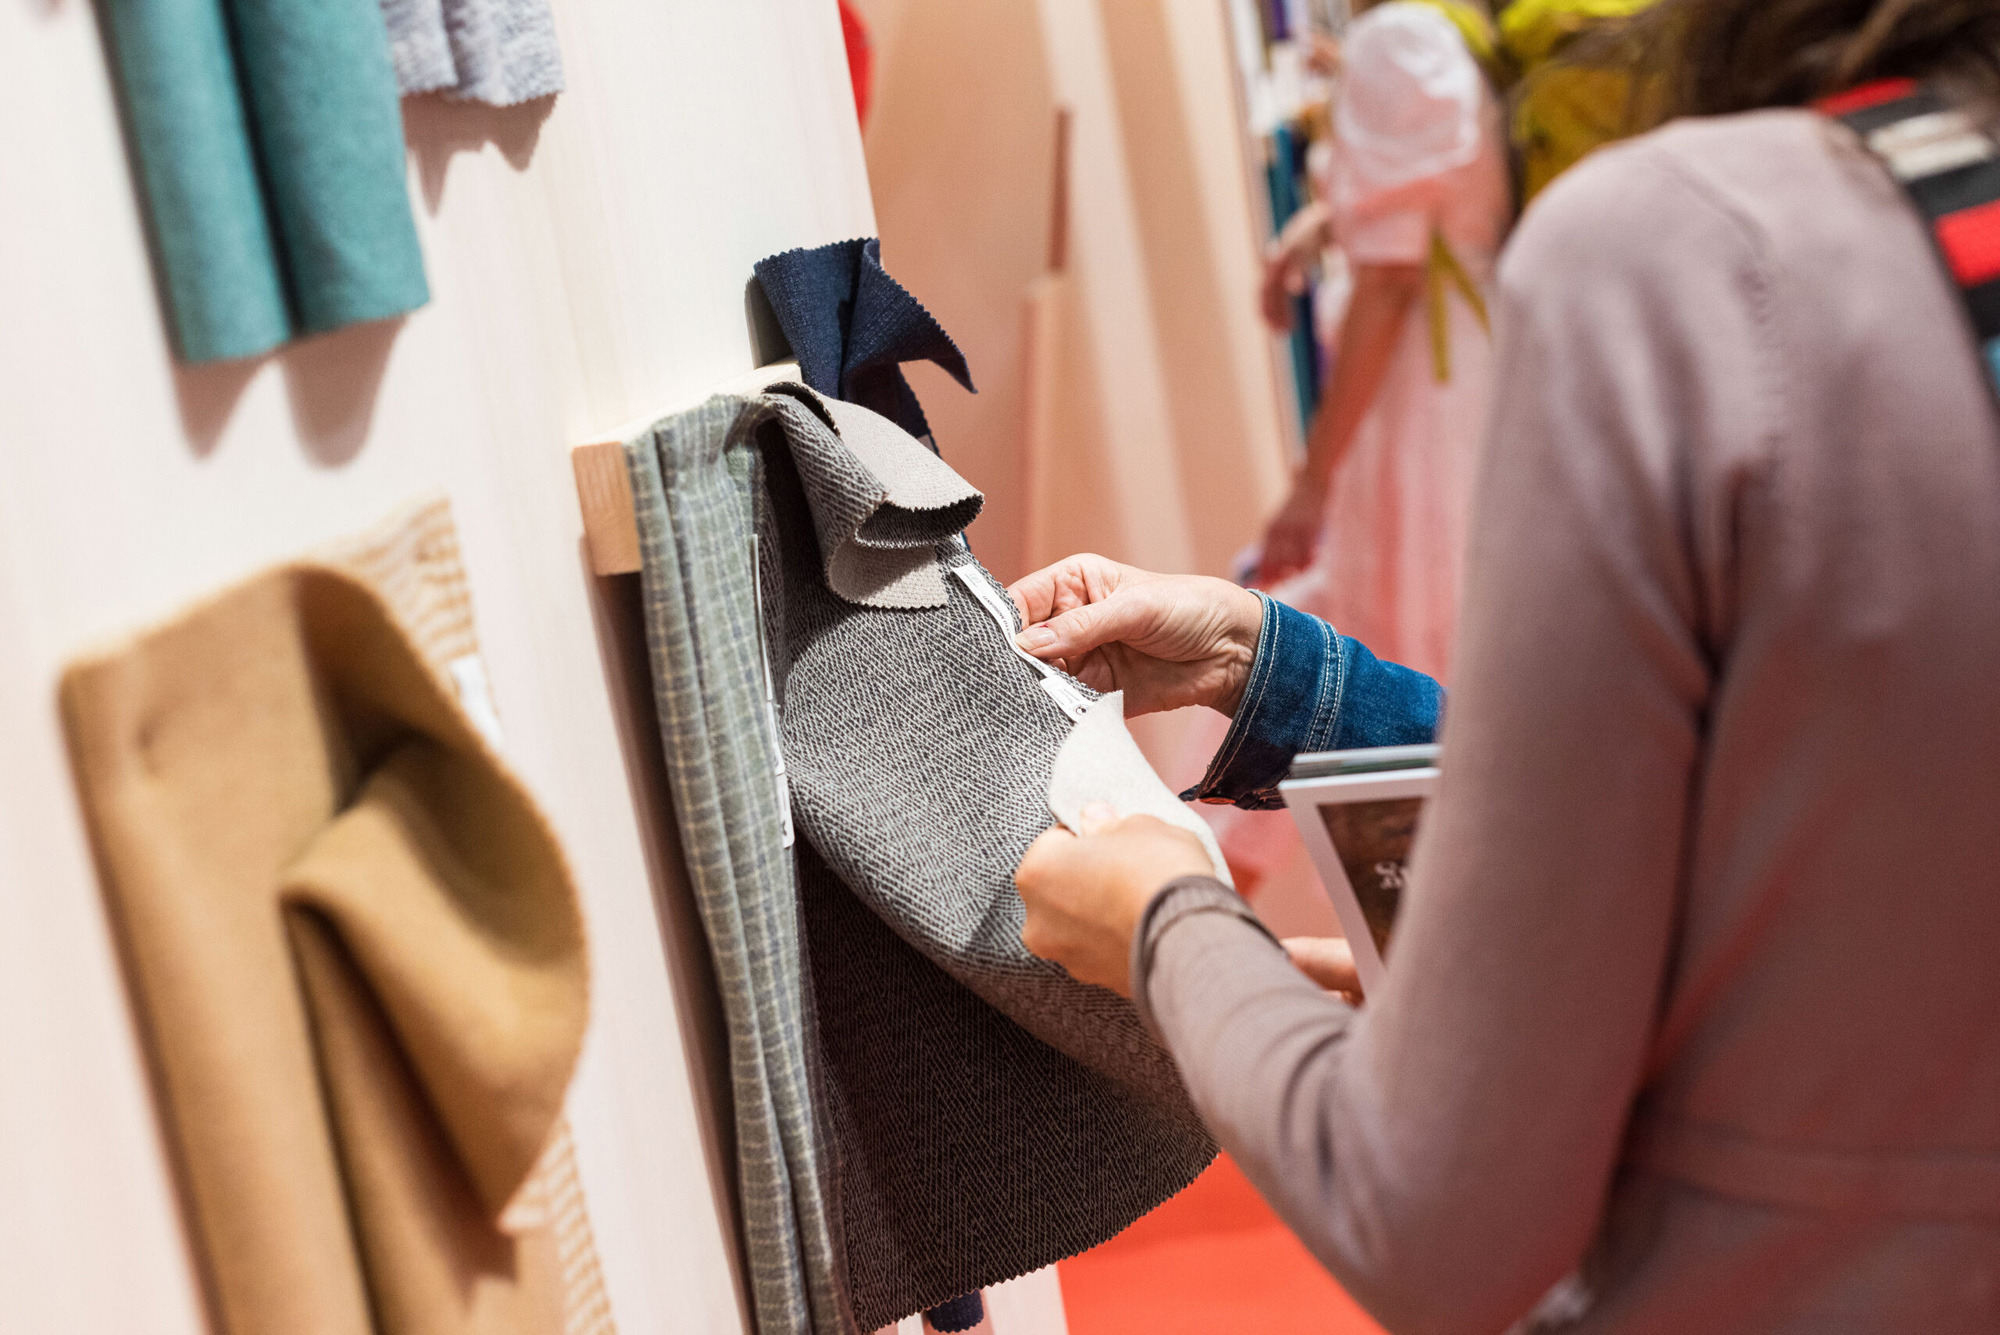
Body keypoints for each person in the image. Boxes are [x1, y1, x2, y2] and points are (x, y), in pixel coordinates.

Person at [1007, 0, 2000, 1328]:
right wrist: (1279, 670)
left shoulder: (1696, 254)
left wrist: (1163, 918)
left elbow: (1433, 1214)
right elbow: (1822, 823)